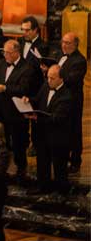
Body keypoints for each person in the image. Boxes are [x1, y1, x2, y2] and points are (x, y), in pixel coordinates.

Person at [24, 64, 73, 193]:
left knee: (59, 166)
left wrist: (36, 118)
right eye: (48, 77)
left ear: (61, 79)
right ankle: (43, 186)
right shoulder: (46, 86)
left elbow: (57, 118)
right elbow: (38, 99)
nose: (49, 81)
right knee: (42, 163)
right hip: (42, 134)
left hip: (58, 137)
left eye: (52, 78)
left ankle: (62, 191)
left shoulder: (66, 96)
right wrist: (28, 100)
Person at [0, 39, 35, 178]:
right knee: (2, 142)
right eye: (4, 52)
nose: (5, 55)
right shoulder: (1, 64)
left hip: (16, 113)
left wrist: (5, 88)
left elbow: (24, 88)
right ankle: (1, 167)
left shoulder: (27, 68)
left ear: (17, 52)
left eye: (9, 53)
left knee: (18, 143)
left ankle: (21, 170)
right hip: (0, 111)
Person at [50, 32, 87, 173]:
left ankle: (76, 160)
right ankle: (61, 157)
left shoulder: (80, 60)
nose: (64, 45)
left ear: (75, 44)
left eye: (68, 43)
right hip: (58, 97)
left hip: (73, 100)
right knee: (61, 129)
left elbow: (72, 79)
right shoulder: (59, 54)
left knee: (74, 130)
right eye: (63, 42)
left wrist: (55, 73)